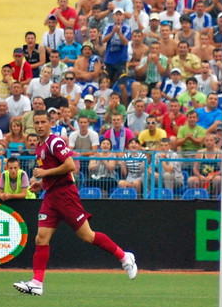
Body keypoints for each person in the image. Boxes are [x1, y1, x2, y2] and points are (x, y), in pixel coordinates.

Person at [13, 110, 137, 296]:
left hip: (65, 195)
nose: (39, 126)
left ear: (50, 123)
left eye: (43, 122)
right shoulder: (40, 146)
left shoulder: (55, 142)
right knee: (41, 238)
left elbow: (70, 165)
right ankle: (37, 282)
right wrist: (41, 183)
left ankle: (124, 256)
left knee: (87, 236)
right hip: (51, 195)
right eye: (36, 123)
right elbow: (52, 170)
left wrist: (45, 174)